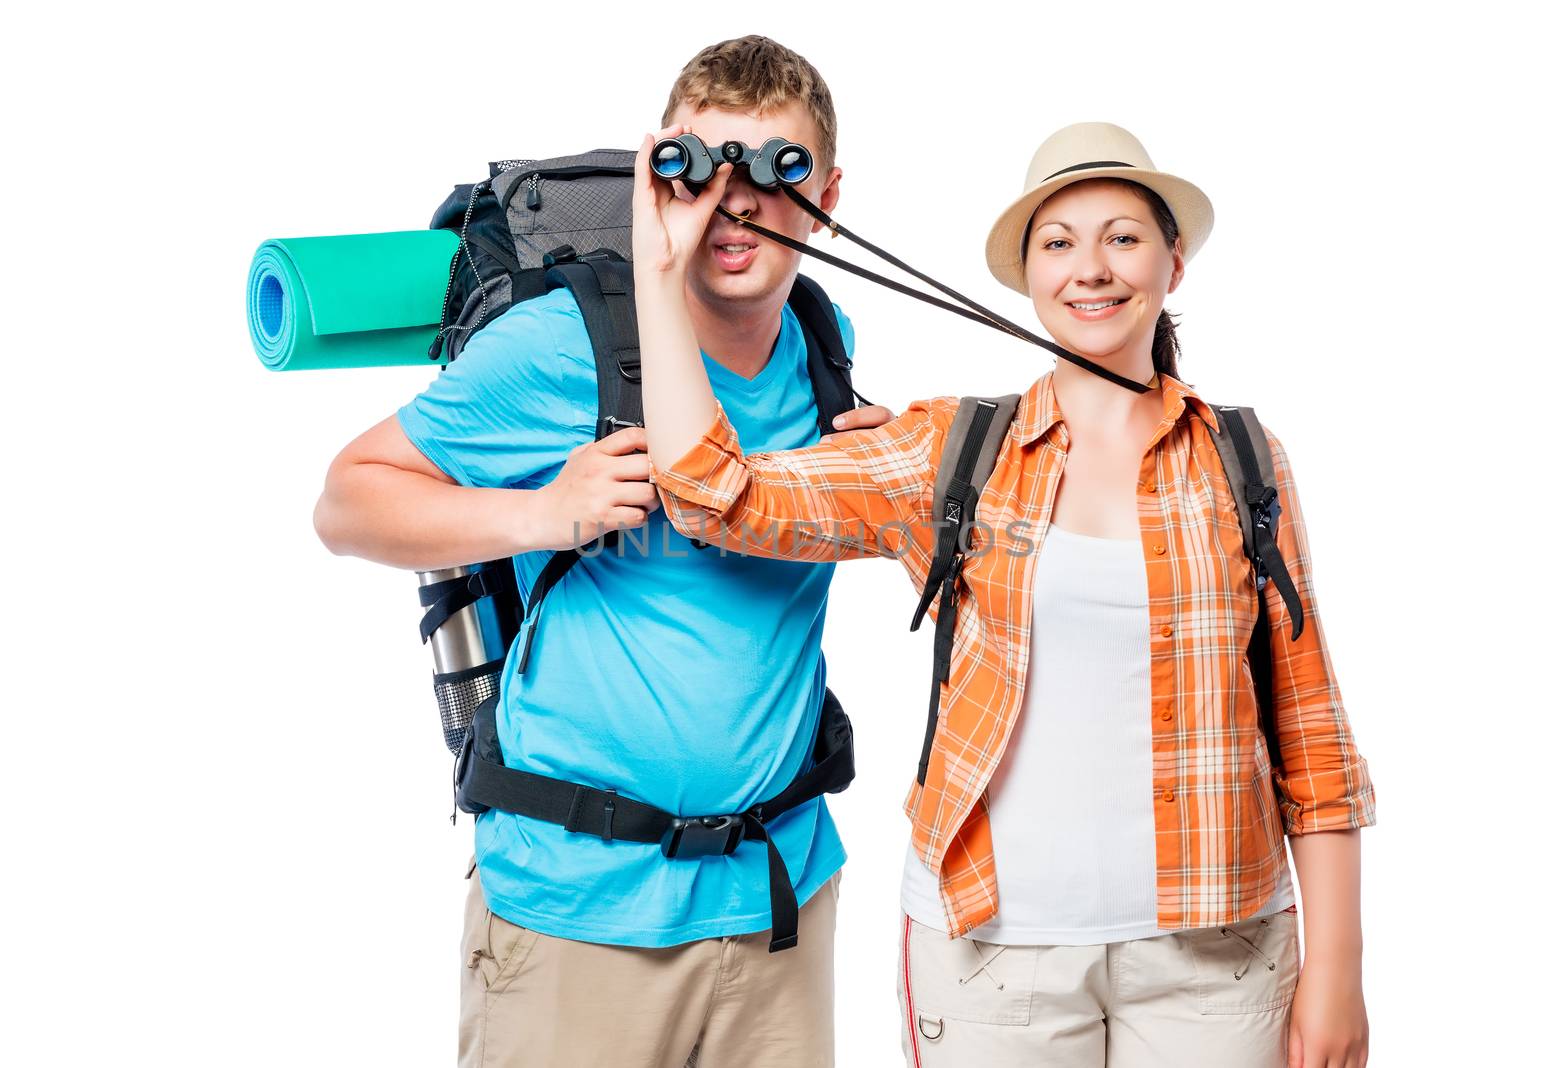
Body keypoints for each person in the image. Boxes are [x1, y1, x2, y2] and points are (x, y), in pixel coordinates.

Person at [634, 121, 1377, 1068]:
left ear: (1173, 265)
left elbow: (1309, 728)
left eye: (1122, 236)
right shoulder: (951, 450)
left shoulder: (1242, 458)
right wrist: (659, 277)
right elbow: (712, 496)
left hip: (1220, 953)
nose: (1091, 268)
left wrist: (1340, 969)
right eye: (1058, 243)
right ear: (1028, 277)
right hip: (991, 955)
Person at [312, 36, 894, 1068]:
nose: (738, 203)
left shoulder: (822, 337)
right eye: (702, 167)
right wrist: (544, 513)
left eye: (778, 169)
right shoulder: (566, 345)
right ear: (655, 178)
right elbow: (348, 500)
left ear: (829, 194)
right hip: (579, 909)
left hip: (777, 897)